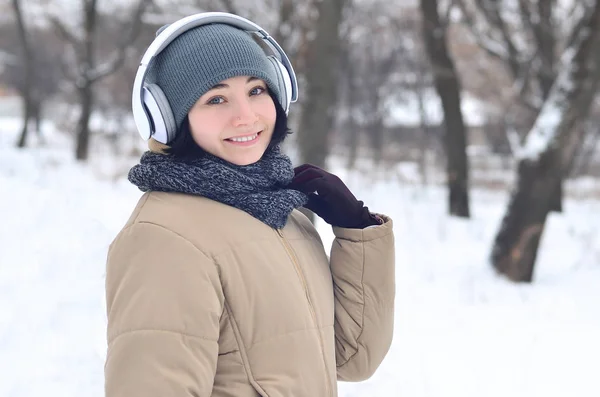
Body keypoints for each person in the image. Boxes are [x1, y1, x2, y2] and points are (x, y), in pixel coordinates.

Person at [104, 12, 395, 397]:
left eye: (256, 90)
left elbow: (351, 357)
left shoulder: (282, 215)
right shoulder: (163, 239)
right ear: (169, 118)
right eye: (216, 98)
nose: (246, 116)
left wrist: (357, 230)